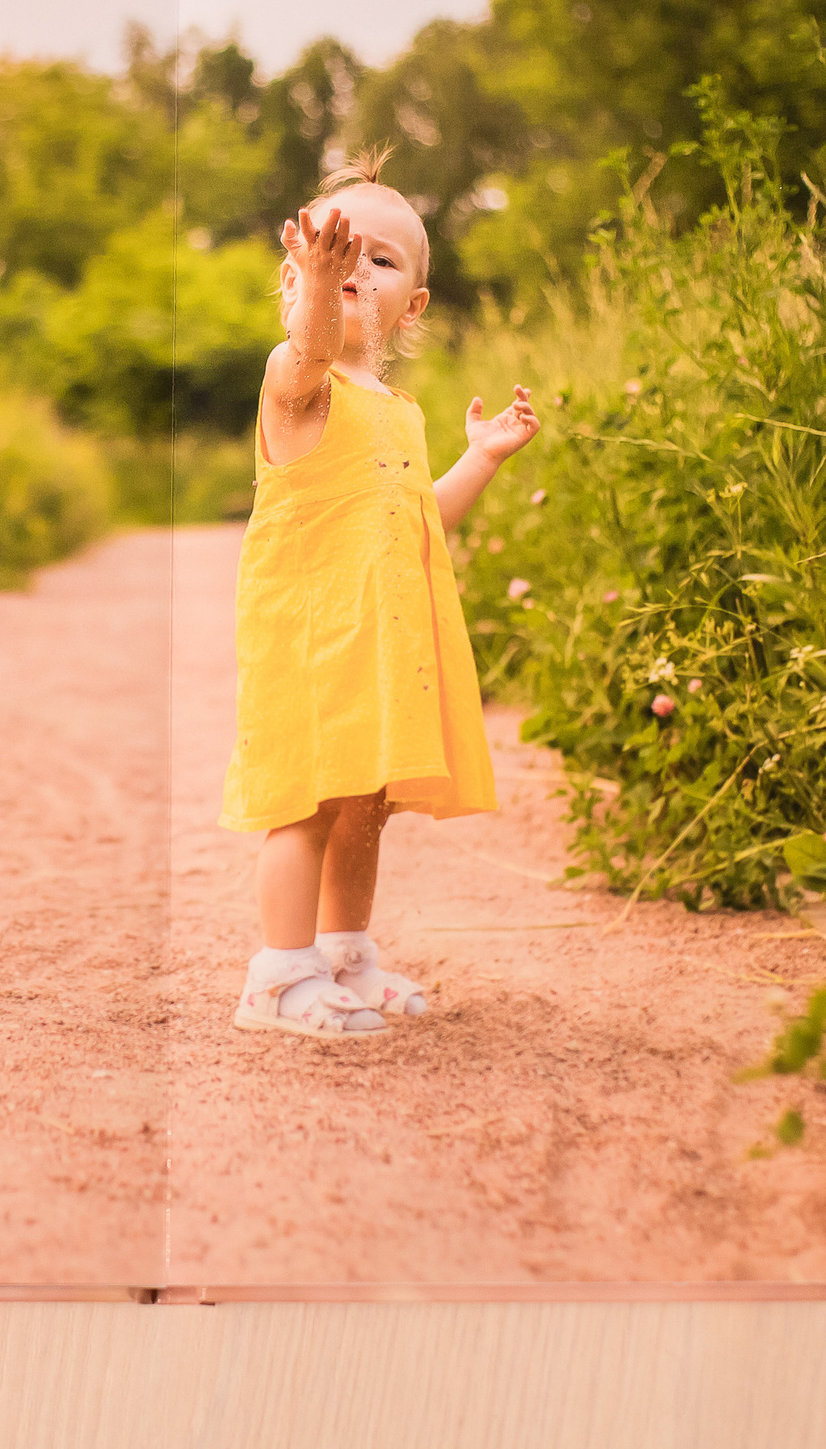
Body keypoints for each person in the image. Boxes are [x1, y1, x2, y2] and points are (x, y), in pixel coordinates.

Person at [219, 146, 541, 1038]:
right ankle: (278, 980)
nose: (356, 266)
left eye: (382, 259)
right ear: (297, 269)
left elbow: (419, 519)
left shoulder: (398, 412)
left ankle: (344, 957)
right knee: (307, 802)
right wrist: (321, 296)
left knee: (366, 805)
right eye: (336, 247)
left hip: (378, 640)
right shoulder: (297, 383)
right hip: (311, 636)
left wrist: (480, 458)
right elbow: (314, 340)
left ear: (416, 305)